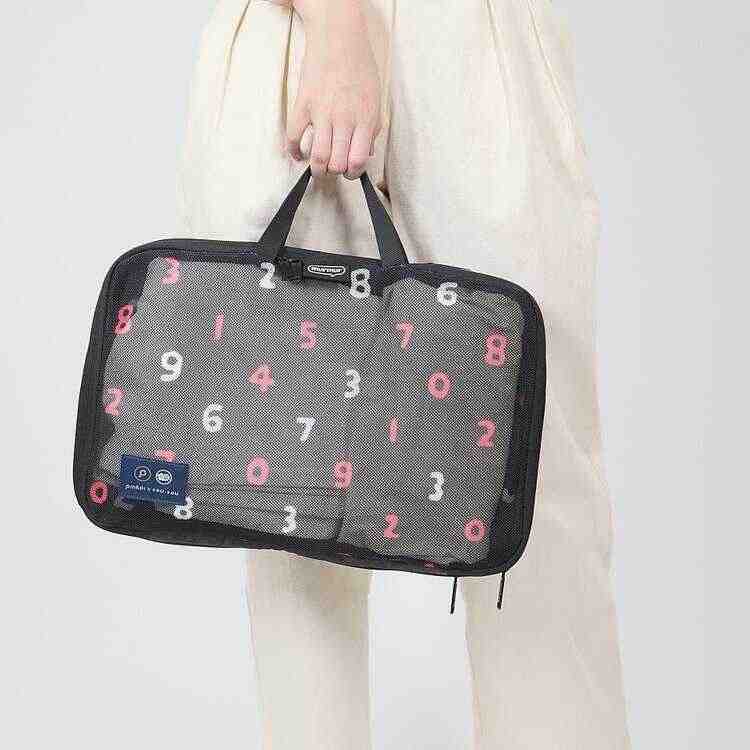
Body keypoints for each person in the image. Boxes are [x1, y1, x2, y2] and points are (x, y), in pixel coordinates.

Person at [178, 1, 631, 748]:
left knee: (533, 476)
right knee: (289, 493)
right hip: (296, 40)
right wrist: (339, 24)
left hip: (481, 43)